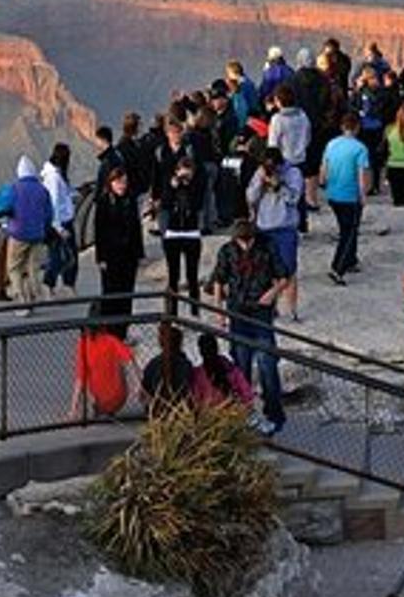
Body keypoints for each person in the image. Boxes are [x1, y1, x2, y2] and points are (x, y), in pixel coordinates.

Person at [209, 218, 290, 435]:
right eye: (240, 241)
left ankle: (274, 413)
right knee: (240, 365)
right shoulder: (227, 250)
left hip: (261, 311)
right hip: (237, 310)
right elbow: (218, 279)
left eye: (248, 241)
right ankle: (243, 413)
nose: (244, 245)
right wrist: (219, 310)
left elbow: (284, 276)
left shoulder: (267, 246)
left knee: (267, 363)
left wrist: (272, 293)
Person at [246, 148, 304, 320]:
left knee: (288, 270)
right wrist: (261, 182)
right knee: (266, 271)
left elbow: (294, 198)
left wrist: (279, 186)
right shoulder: (260, 171)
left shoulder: (293, 173)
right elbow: (250, 197)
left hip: (285, 227)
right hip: (264, 226)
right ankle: (271, 308)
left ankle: (292, 310)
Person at [320, 113, 372, 287]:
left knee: (346, 228)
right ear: (357, 127)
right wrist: (364, 194)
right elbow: (362, 174)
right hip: (350, 195)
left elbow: (324, 167)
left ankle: (350, 260)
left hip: (333, 193)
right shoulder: (360, 148)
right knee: (348, 233)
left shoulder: (331, 144)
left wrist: (323, 182)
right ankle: (338, 267)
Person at [91, 166, 145, 321]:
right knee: (110, 293)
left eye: (124, 182)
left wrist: (139, 253)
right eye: (119, 182)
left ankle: (123, 328)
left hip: (129, 255)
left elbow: (136, 228)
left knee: (127, 294)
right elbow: (99, 232)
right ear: (111, 183)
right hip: (111, 255)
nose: (122, 185)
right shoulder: (103, 202)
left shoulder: (130, 200)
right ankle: (109, 327)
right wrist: (100, 257)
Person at [154, 154, 206, 311]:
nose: (185, 176)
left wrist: (188, 185)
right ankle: (172, 310)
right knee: (173, 276)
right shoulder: (169, 184)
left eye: (188, 172)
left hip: (191, 233)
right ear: (177, 171)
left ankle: (194, 309)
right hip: (173, 233)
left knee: (192, 275)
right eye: (182, 172)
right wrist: (172, 187)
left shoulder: (197, 184)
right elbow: (165, 205)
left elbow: (197, 205)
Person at [3, 155, 53, 311]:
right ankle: (33, 297)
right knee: (33, 267)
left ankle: (20, 300)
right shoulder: (42, 189)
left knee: (14, 267)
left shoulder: (14, 189)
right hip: (38, 234)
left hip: (18, 234)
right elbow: (49, 214)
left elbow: (4, 207)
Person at [66, 322, 142, 421]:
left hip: (99, 398)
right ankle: (107, 406)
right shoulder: (111, 340)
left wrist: (73, 409)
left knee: (87, 371)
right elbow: (130, 361)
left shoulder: (83, 343)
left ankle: (99, 404)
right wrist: (137, 383)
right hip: (119, 398)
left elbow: (80, 378)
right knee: (123, 360)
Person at [38, 144, 80, 298]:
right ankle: (50, 284)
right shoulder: (54, 178)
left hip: (63, 221)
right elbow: (54, 203)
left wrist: (74, 195)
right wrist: (59, 228)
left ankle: (62, 285)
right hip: (60, 224)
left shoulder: (57, 174)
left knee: (64, 255)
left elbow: (63, 195)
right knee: (62, 256)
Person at [190, 330, 256, 410]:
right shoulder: (198, 374)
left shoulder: (231, 370)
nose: (208, 352)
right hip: (211, 415)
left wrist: (241, 407)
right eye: (205, 349)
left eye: (210, 348)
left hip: (234, 412)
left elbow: (247, 395)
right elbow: (196, 401)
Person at [141, 337, 196, 410]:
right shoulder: (186, 364)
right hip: (180, 407)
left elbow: (145, 388)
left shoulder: (154, 363)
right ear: (179, 343)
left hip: (160, 407)